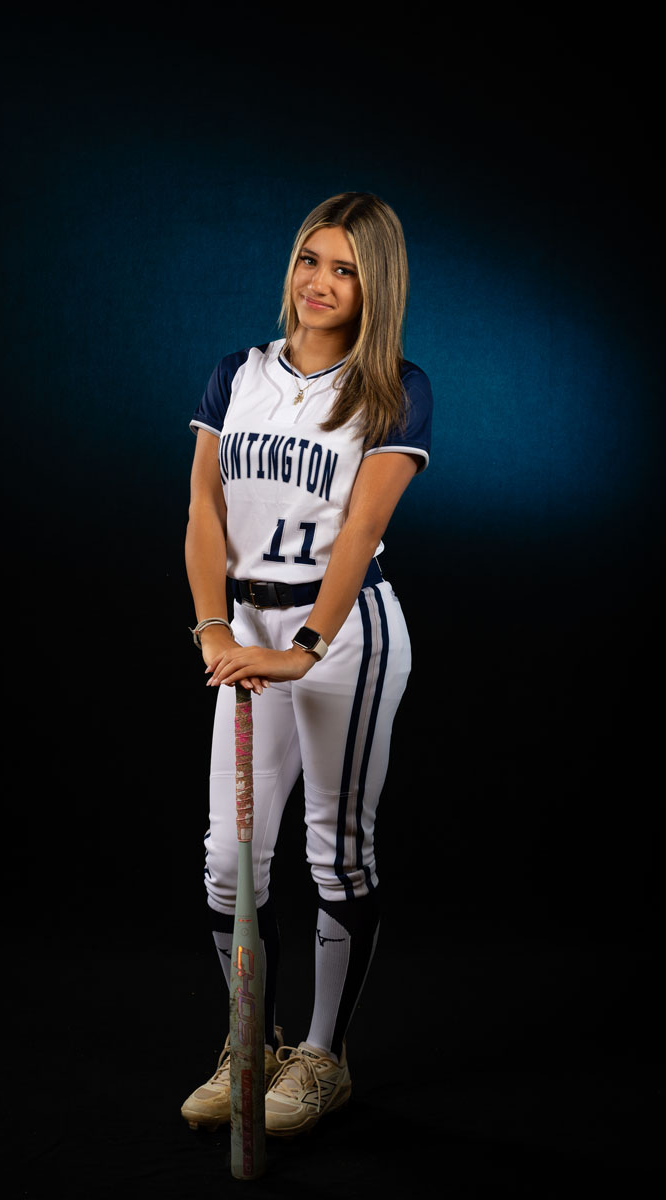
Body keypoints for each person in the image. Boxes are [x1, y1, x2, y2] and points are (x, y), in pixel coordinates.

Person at [180, 191, 433, 1138]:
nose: (319, 282)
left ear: (376, 287)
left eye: (345, 269)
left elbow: (361, 530)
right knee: (228, 860)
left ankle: (323, 1057)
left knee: (335, 854)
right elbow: (204, 510)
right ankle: (250, 1042)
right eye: (309, 260)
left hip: (344, 636)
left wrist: (306, 649)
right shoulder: (237, 374)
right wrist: (214, 628)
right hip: (247, 631)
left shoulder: (394, 386)